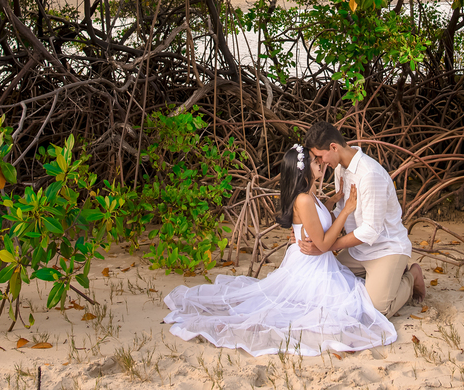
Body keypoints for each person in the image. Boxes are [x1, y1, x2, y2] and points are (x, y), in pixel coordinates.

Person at [163, 144, 397, 356]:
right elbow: (324, 244)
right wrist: (346, 211)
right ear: (304, 170)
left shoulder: (310, 195)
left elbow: (320, 216)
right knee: (339, 312)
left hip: (317, 261)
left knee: (352, 303)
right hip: (310, 264)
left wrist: (336, 198)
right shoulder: (303, 199)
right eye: (317, 163)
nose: (322, 165)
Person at [299, 121, 426, 318]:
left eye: (321, 156)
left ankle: (412, 276)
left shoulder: (370, 174)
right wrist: (306, 232)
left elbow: (370, 231)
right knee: (327, 285)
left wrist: (327, 246)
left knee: (378, 309)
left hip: (386, 248)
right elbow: (342, 212)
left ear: (333, 147)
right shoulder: (341, 169)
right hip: (357, 250)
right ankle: (385, 279)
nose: (321, 162)